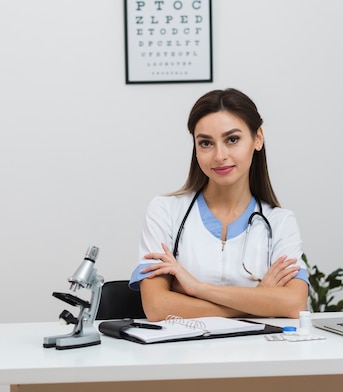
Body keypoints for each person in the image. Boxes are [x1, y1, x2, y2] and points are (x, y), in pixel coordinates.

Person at [130, 88, 308, 321]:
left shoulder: (280, 222)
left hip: (258, 354)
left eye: (232, 139)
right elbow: (156, 307)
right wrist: (260, 298)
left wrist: (197, 288)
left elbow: (294, 304)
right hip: (182, 354)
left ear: (257, 139)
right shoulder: (164, 211)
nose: (219, 155)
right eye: (205, 143)